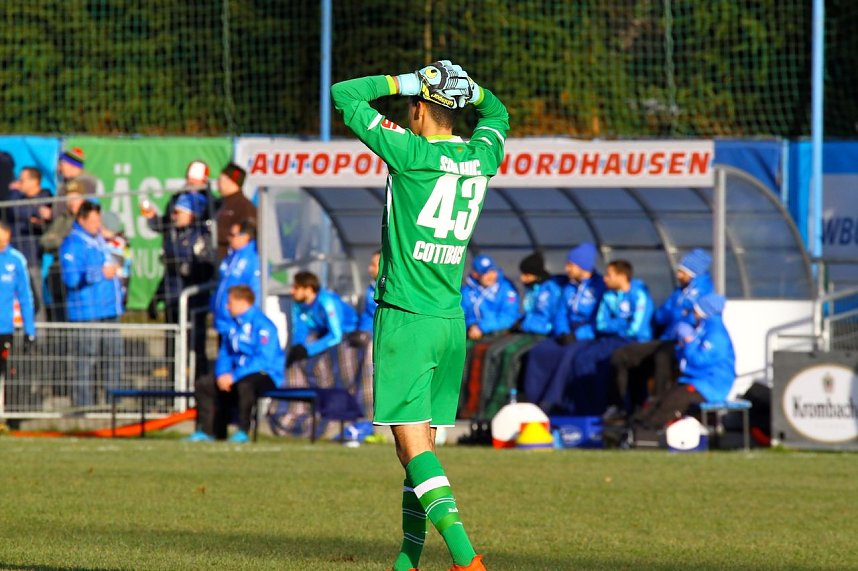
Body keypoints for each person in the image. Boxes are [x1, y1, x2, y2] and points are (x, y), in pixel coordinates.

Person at [332, 58, 506, 571]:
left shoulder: (410, 152)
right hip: (450, 321)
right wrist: (469, 89)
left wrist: (406, 80)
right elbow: (499, 113)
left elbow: (345, 94)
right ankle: (407, 558)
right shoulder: (482, 155)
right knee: (415, 451)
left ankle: (465, 558)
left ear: (420, 109)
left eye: (413, 101)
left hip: (405, 317)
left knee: (412, 445)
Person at [606, 249, 714, 421]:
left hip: (683, 344)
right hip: (665, 339)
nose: (678, 275)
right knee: (624, 356)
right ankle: (624, 407)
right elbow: (661, 314)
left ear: (692, 273)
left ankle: (656, 406)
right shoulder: (680, 293)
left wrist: (679, 314)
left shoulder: (705, 293)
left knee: (661, 356)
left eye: (682, 271)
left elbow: (691, 320)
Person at [189, 285, 284, 443]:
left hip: (265, 374)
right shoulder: (233, 326)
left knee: (245, 385)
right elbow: (225, 353)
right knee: (204, 384)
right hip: (236, 374)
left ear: (243, 302)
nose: (227, 306)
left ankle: (243, 431)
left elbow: (263, 359)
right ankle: (207, 432)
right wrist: (221, 375)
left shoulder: (263, 325)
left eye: (230, 302)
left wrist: (233, 376)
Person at [475, 252, 562, 422]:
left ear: (535, 274)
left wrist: (523, 324)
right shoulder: (532, 289)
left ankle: (502, 401)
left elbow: (546, 319)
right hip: (526, 331)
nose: (522, 278)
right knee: (494, 352)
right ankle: (485, 402)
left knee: (510, 355)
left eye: (526, 274)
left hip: (540, 335)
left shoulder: (550, 290)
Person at [272, 270, 358, 436]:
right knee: (295, 360)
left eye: (296, 287)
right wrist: (298, 347)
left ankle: (345, 416)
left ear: (309, 288)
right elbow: (300, 329)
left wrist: (309, 349)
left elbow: (336, 334)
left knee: (340, 372)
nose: (292, 291)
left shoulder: (327, 301)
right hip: (323, 335)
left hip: (347, 335)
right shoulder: (298, 304)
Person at [634, 293, 735, 431]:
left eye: (696, 311)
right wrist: (682, 346)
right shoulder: (703, 330)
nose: (693, 314)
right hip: (695, 381)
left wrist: (689, 342)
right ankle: (635, 425)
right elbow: (687, 356)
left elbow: (698, 360)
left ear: (704, 313)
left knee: (672, 402)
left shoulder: (716, 335)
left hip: (710, 387)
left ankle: (646, 430)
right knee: (661, 398)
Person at [522, 243, 604, 412]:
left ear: (583, 265)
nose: (567, 269)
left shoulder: (599, 287)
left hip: (586, 334)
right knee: (539, 351)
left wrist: (578, 335)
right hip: (567, 331)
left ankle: (553, 401)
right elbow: (561, 312)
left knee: (569, 355)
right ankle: (532, 400)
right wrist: (563, 331)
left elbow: (598, 319)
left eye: (571, 265)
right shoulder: (569, 287)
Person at [59, 201, 124, 407]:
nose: (97, 225)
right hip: (86, 312)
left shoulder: (100, 242)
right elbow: (70, 279)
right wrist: (99, 273)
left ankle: (113, 402)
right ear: (81, 220)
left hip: (109, 310)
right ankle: (83, 406)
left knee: (113, 357)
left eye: (99, 220)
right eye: (93, 221)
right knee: (85, 360)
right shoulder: (72, 244)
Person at [153, 192, 215, 377]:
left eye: (179, 212)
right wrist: (158, 296)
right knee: (173, 343)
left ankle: (196, 387)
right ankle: (175, 387)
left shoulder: (201, 237)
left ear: (192, 214)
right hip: (174, 298)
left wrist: (187, 267)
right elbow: (169, 273)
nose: (174, 216)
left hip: (193, 303)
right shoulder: (173, 235)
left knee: (195, 346)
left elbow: (206, 269)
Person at [458, 253, 519, 418]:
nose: (490, 276)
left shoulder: (506, 289)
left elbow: (508, 317)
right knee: (457, 355)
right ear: (476, 274)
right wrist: (471, 325)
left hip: (497, 334)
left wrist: (482, 327)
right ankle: (460, 404)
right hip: (473, 334)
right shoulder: (467, 291)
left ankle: (485, 406)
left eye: (492, 271)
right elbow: (462, 311)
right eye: (485, 272)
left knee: (489, 356)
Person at [5, 167, 52, 319]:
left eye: (22, 180)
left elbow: (37, 213)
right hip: (14, 259)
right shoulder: (17, 196)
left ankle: (40, 339)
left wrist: (33, 213)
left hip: (31, 260)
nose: (19, 183)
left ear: (34, 181)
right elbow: (14, 209)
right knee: (13, 301)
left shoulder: (46, 196)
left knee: (35, 299)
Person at [40, 181, 86, 321]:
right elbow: (45, 241)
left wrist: (60, 240)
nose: (71, 202)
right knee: (60, 315)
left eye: (75, 198)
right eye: (69, 198)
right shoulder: (62, 219)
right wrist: (63, 241)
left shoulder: (87, 218)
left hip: (79, 272)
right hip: (59, 270)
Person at [0, 221, 36, 395]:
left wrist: (30, 330)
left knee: (7, 374)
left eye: (4, 241)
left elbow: (25, 297)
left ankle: (4, 416)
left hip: (5, 328)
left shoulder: (16, 259)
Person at [212, 219, 260, 337]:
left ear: (245, 237)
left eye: (233, 235)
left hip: (238, 321)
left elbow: (256, 290)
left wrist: (247, 318)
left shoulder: (253, 259)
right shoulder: (230, 256)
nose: (229, 238)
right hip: (223, 318)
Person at [214, 163, 256, 260]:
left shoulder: (244, 206)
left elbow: (248, 233)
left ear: (232, 181)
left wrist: (220, 234)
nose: (218, 182)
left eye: (221, 178)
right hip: (211, 262)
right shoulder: (217, 203)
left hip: (230, 264)